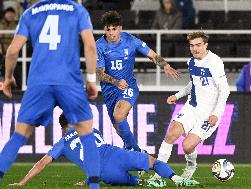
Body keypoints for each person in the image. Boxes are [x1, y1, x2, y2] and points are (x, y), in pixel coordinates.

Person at [0, 1, 101, 189]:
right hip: (69, 81)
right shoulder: (77, 10)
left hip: (38, 82)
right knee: (86, 133)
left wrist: (7, 78)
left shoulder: (30, 13)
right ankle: (94, 186)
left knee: (19, 135)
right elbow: (90, 46)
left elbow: (13, 51)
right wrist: (92, 80)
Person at [9, 114, 199, 187]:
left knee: (136, 183)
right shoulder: (92, 129)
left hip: (103, 172)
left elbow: (43, 162)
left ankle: (142, 182)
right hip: (117, 154)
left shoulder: (62, 143)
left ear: (62, 128)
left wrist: (23, 182)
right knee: (153, 162)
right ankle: (178, 179)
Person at [150, 32, 230, 182]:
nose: (195, 49)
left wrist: (217, 114)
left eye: (198, 45)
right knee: (171, 134)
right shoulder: (191, 62)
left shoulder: (215, 62)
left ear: (206, 45)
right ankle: (157, 175)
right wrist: (177, 95)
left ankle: (191, 165)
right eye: (192, 45)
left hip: (209, 114)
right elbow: (193, 84)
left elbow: (225, 90)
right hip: (191, 108)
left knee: (187, 146)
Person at [96, 11, 179, 152]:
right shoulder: (99, 45)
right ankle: (136, 152)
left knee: (119, 114)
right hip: (110, 91)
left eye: (114, 29)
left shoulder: (130, 40)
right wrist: (115, 82)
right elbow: (99, 73)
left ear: (120, 28)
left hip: (128, 86)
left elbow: (152, 55)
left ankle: (135, 153)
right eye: (108, 29)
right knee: (119, 129)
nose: (111, 33)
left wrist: (165, 65)